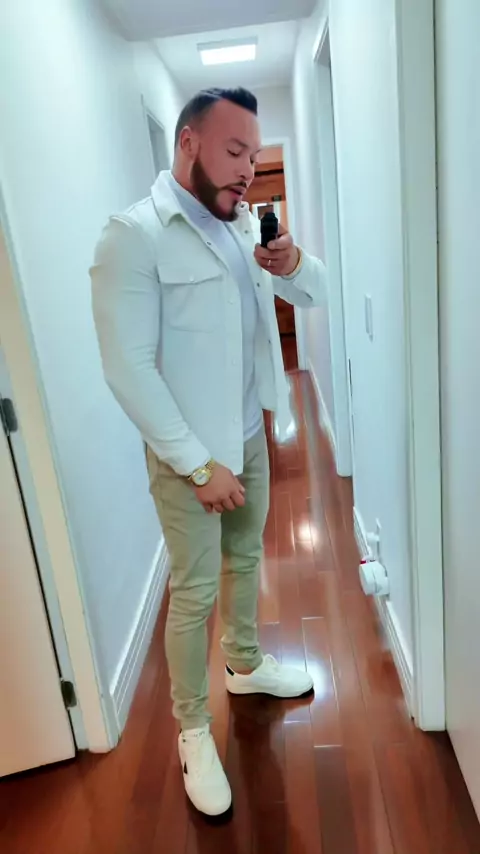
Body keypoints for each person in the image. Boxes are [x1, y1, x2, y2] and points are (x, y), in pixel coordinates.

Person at [90, 87, 326, 817]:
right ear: (188, 142)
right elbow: (128, 368)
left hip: (249, 435)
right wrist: (197, 464)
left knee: (246, 557)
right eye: (234, 151)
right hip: (188, 460)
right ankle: (193, 730)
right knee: (193, 593)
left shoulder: (240, 223)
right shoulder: (134, 237)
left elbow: (313, 295)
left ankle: (245, 664)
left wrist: (290, 262)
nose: (248, 168)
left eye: (254, 153)